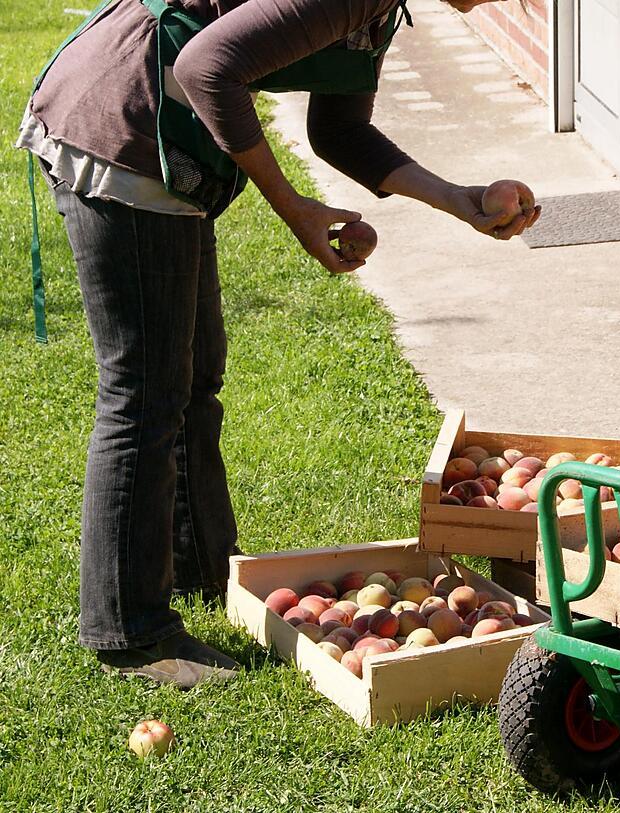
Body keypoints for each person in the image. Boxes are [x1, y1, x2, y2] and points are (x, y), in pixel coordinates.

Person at [16, 0, 538, 689]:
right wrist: (296, 210)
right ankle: (129, 630)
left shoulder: (381, 7)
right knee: (145, 391)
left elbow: (341, 130)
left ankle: (204, 572)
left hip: (166, 141)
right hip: (126, 127)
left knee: (193, 380)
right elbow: (208, 69)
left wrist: (460, 199)